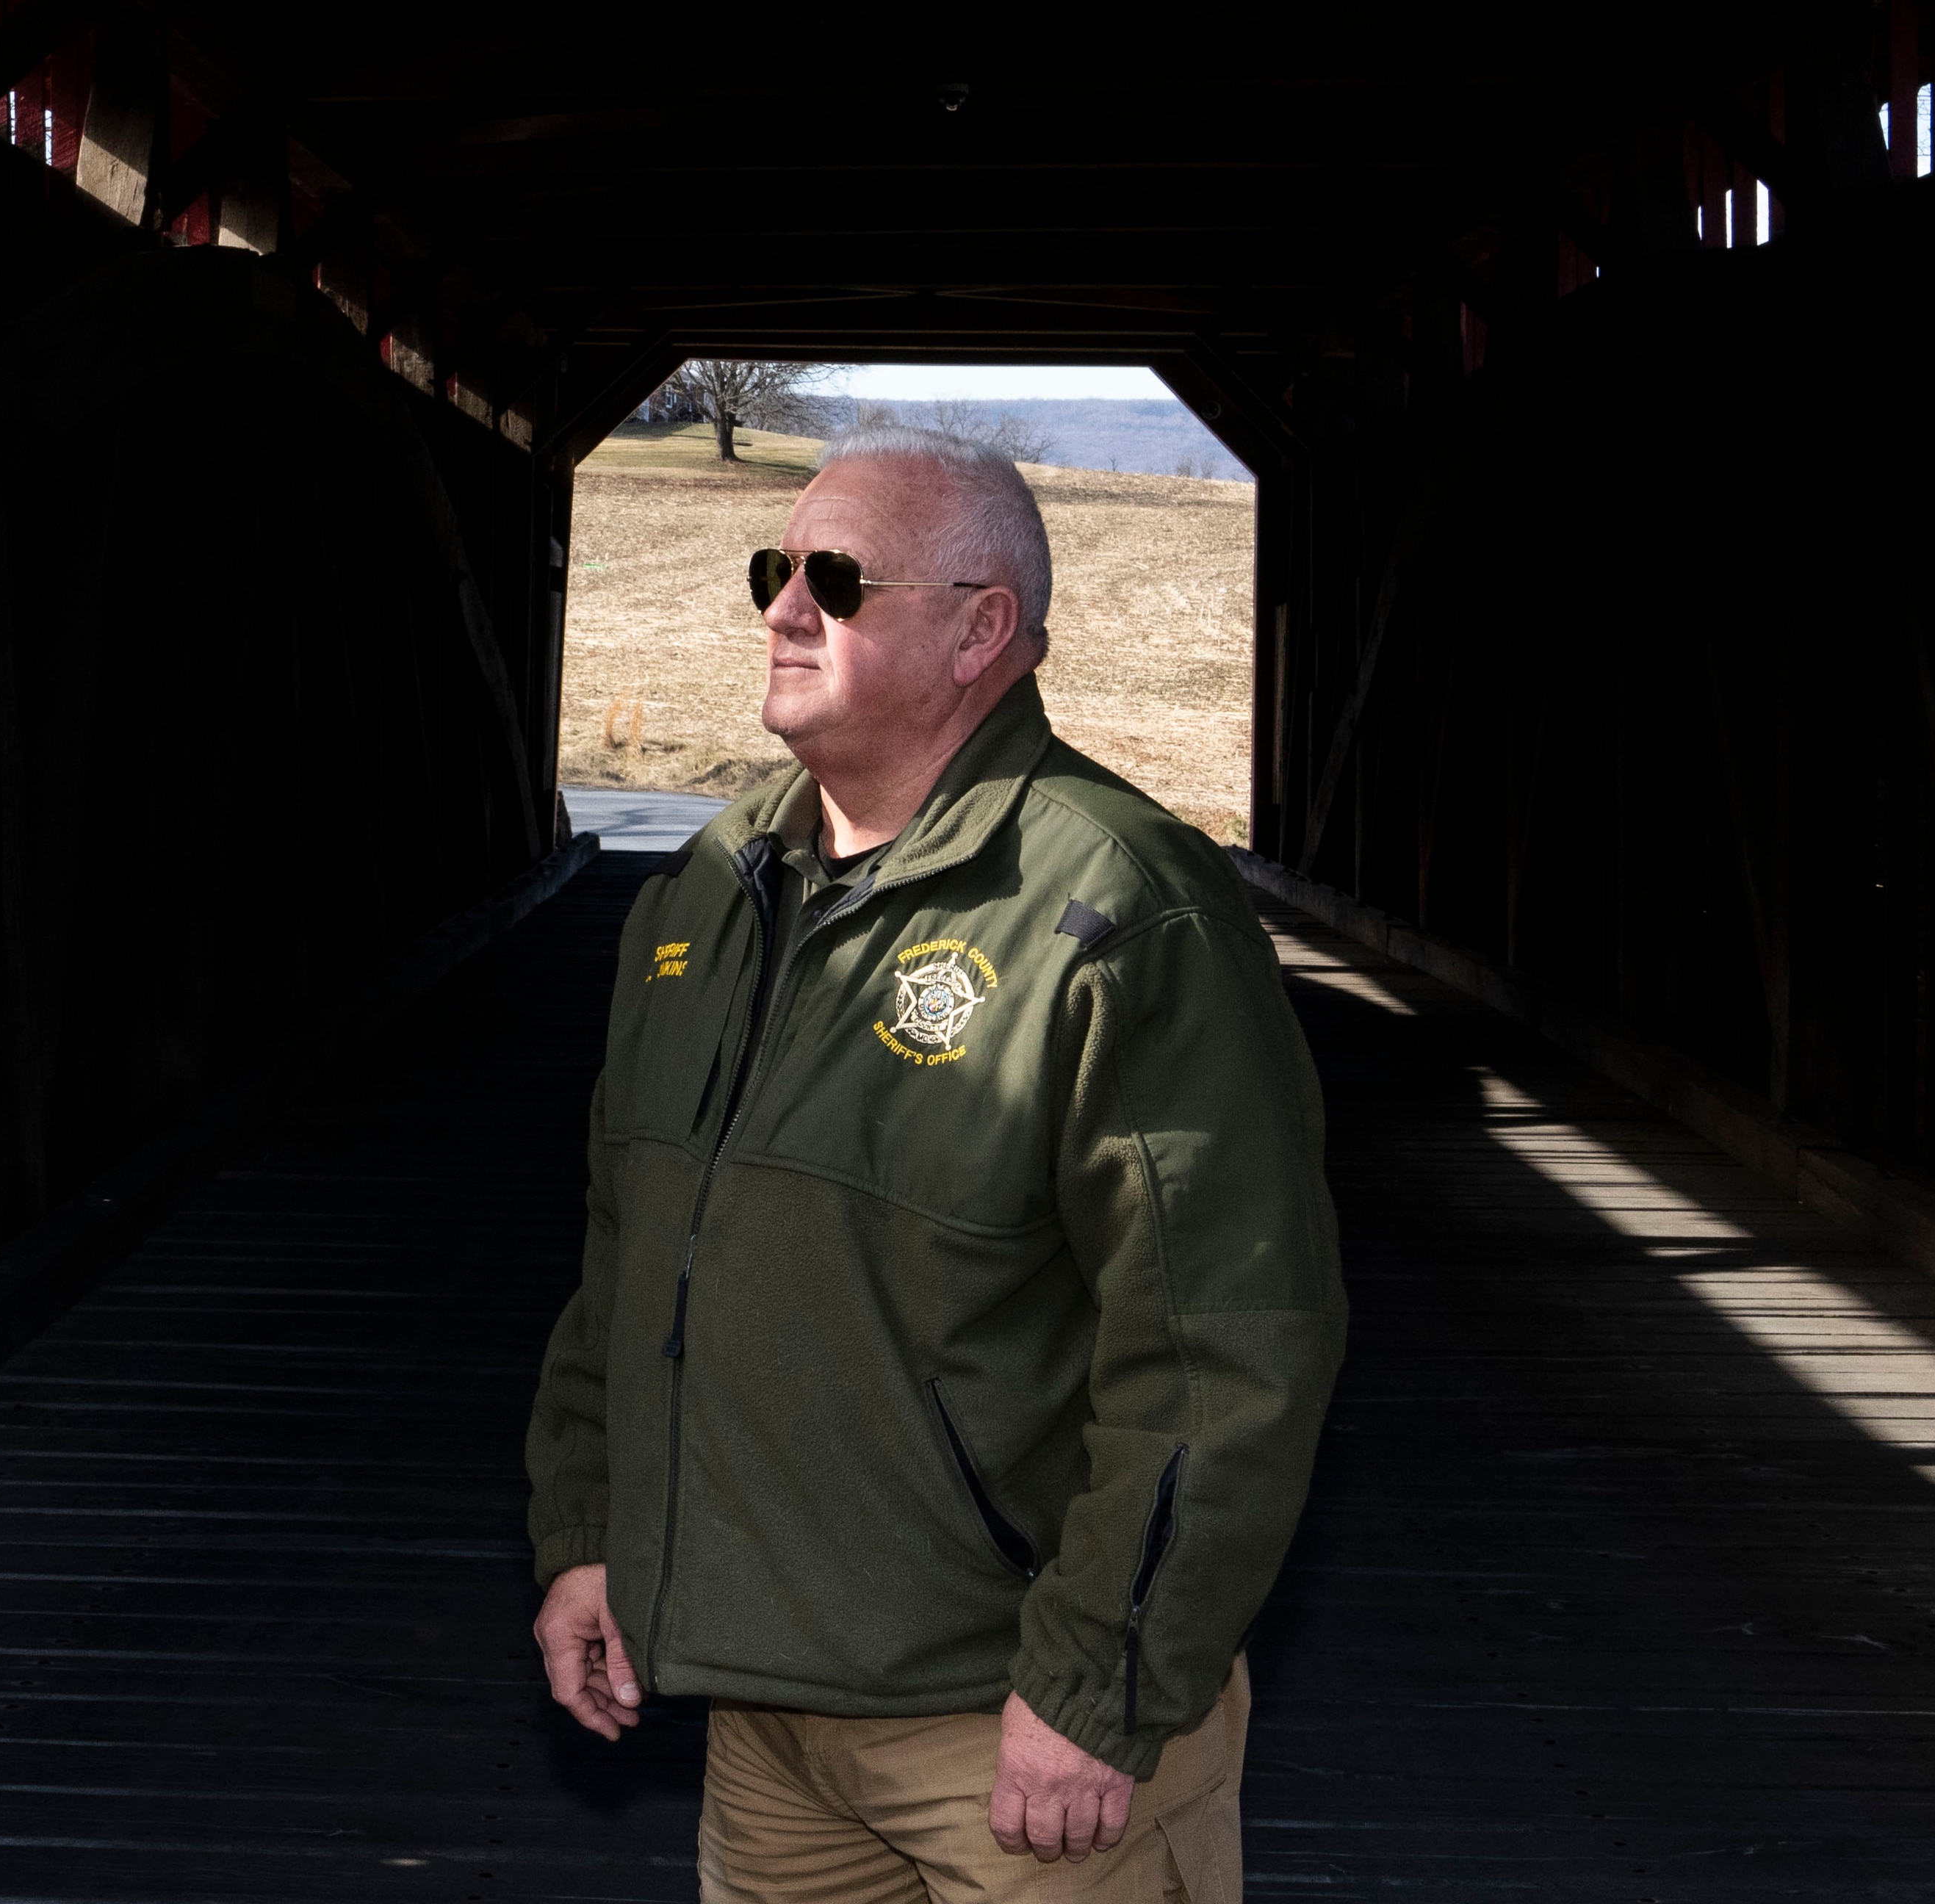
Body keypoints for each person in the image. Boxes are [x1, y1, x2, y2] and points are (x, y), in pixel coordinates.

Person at [525, 425, 1344, 1902]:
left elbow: (1222, 1354)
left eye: (833, 578)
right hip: (764, 1718)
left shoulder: (1114, 913)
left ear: (984, 631)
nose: (782, 607)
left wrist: (1096, 1684)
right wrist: (591, 1535)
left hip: (1011, 1731)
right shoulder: (707, 892)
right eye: (775, 568)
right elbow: (629, 1259)